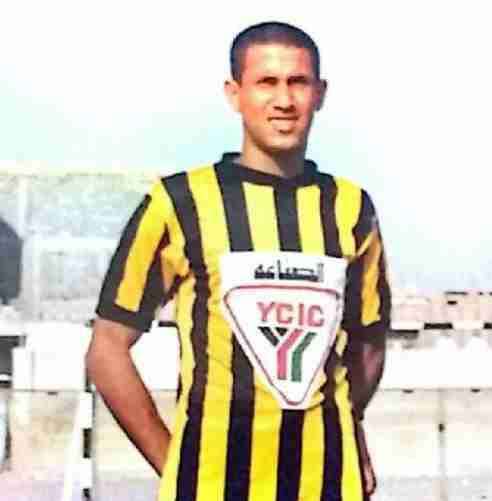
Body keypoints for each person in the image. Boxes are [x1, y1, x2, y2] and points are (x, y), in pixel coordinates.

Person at [86, 21, 391, 501]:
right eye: (266, 82)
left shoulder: (350, 207)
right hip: (212, 485)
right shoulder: (179, 202)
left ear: (320, 94)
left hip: (329, 485)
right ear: (234, 94)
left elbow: (369, 342)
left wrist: (351, 432)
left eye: (298, 82)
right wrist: (173, 463)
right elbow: (107, 349)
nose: (284, 100)